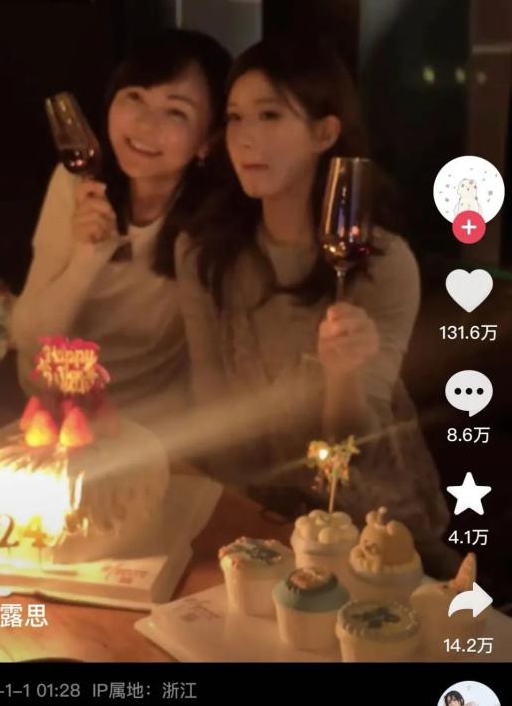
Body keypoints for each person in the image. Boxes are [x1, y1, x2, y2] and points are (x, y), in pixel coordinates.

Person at [175, 34, 457, 577]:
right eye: (235, 117)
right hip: (252, 514)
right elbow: (211, 405)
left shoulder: (382, 263)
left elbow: (355, 449)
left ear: (324, 133)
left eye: (269, 115)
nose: (245, 137)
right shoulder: (204, 254)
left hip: (364, 525)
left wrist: (343, 374)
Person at [11, 29, 231, 429]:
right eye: (135, 97)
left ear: (208, 141)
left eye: (176, 112)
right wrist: (86, 258)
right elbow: (26, 337)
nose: (145, 124)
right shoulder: (77, 183)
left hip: (149, 426)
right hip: (48, 416)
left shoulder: (212, 219)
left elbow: (207, 363)